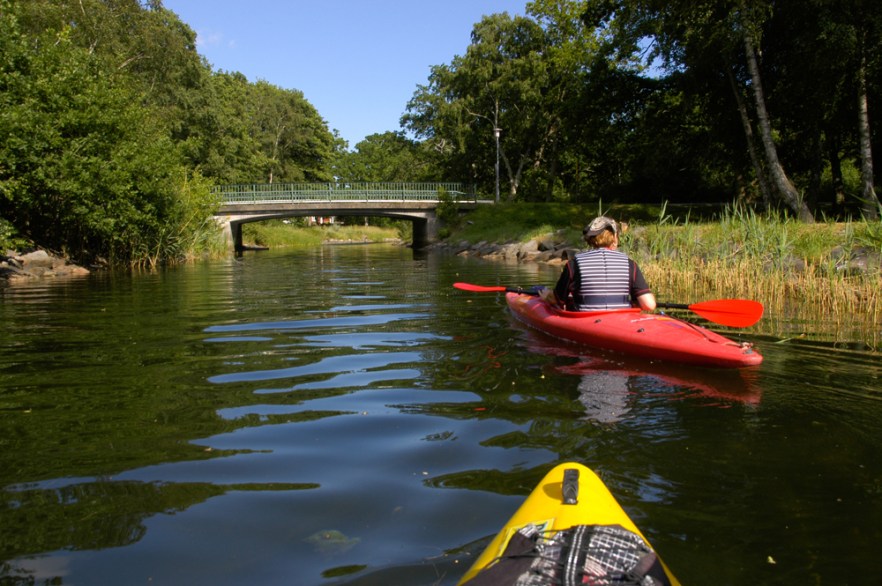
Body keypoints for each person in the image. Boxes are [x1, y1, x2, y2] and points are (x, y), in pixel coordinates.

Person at [541, 216, 656, 312]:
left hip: (585, 322)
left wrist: (546, 295)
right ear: (615, 237)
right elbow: (649, 305)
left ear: (590, 239)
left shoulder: (574, 264)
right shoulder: (630, 264)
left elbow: (558, 300)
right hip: (621, 321)